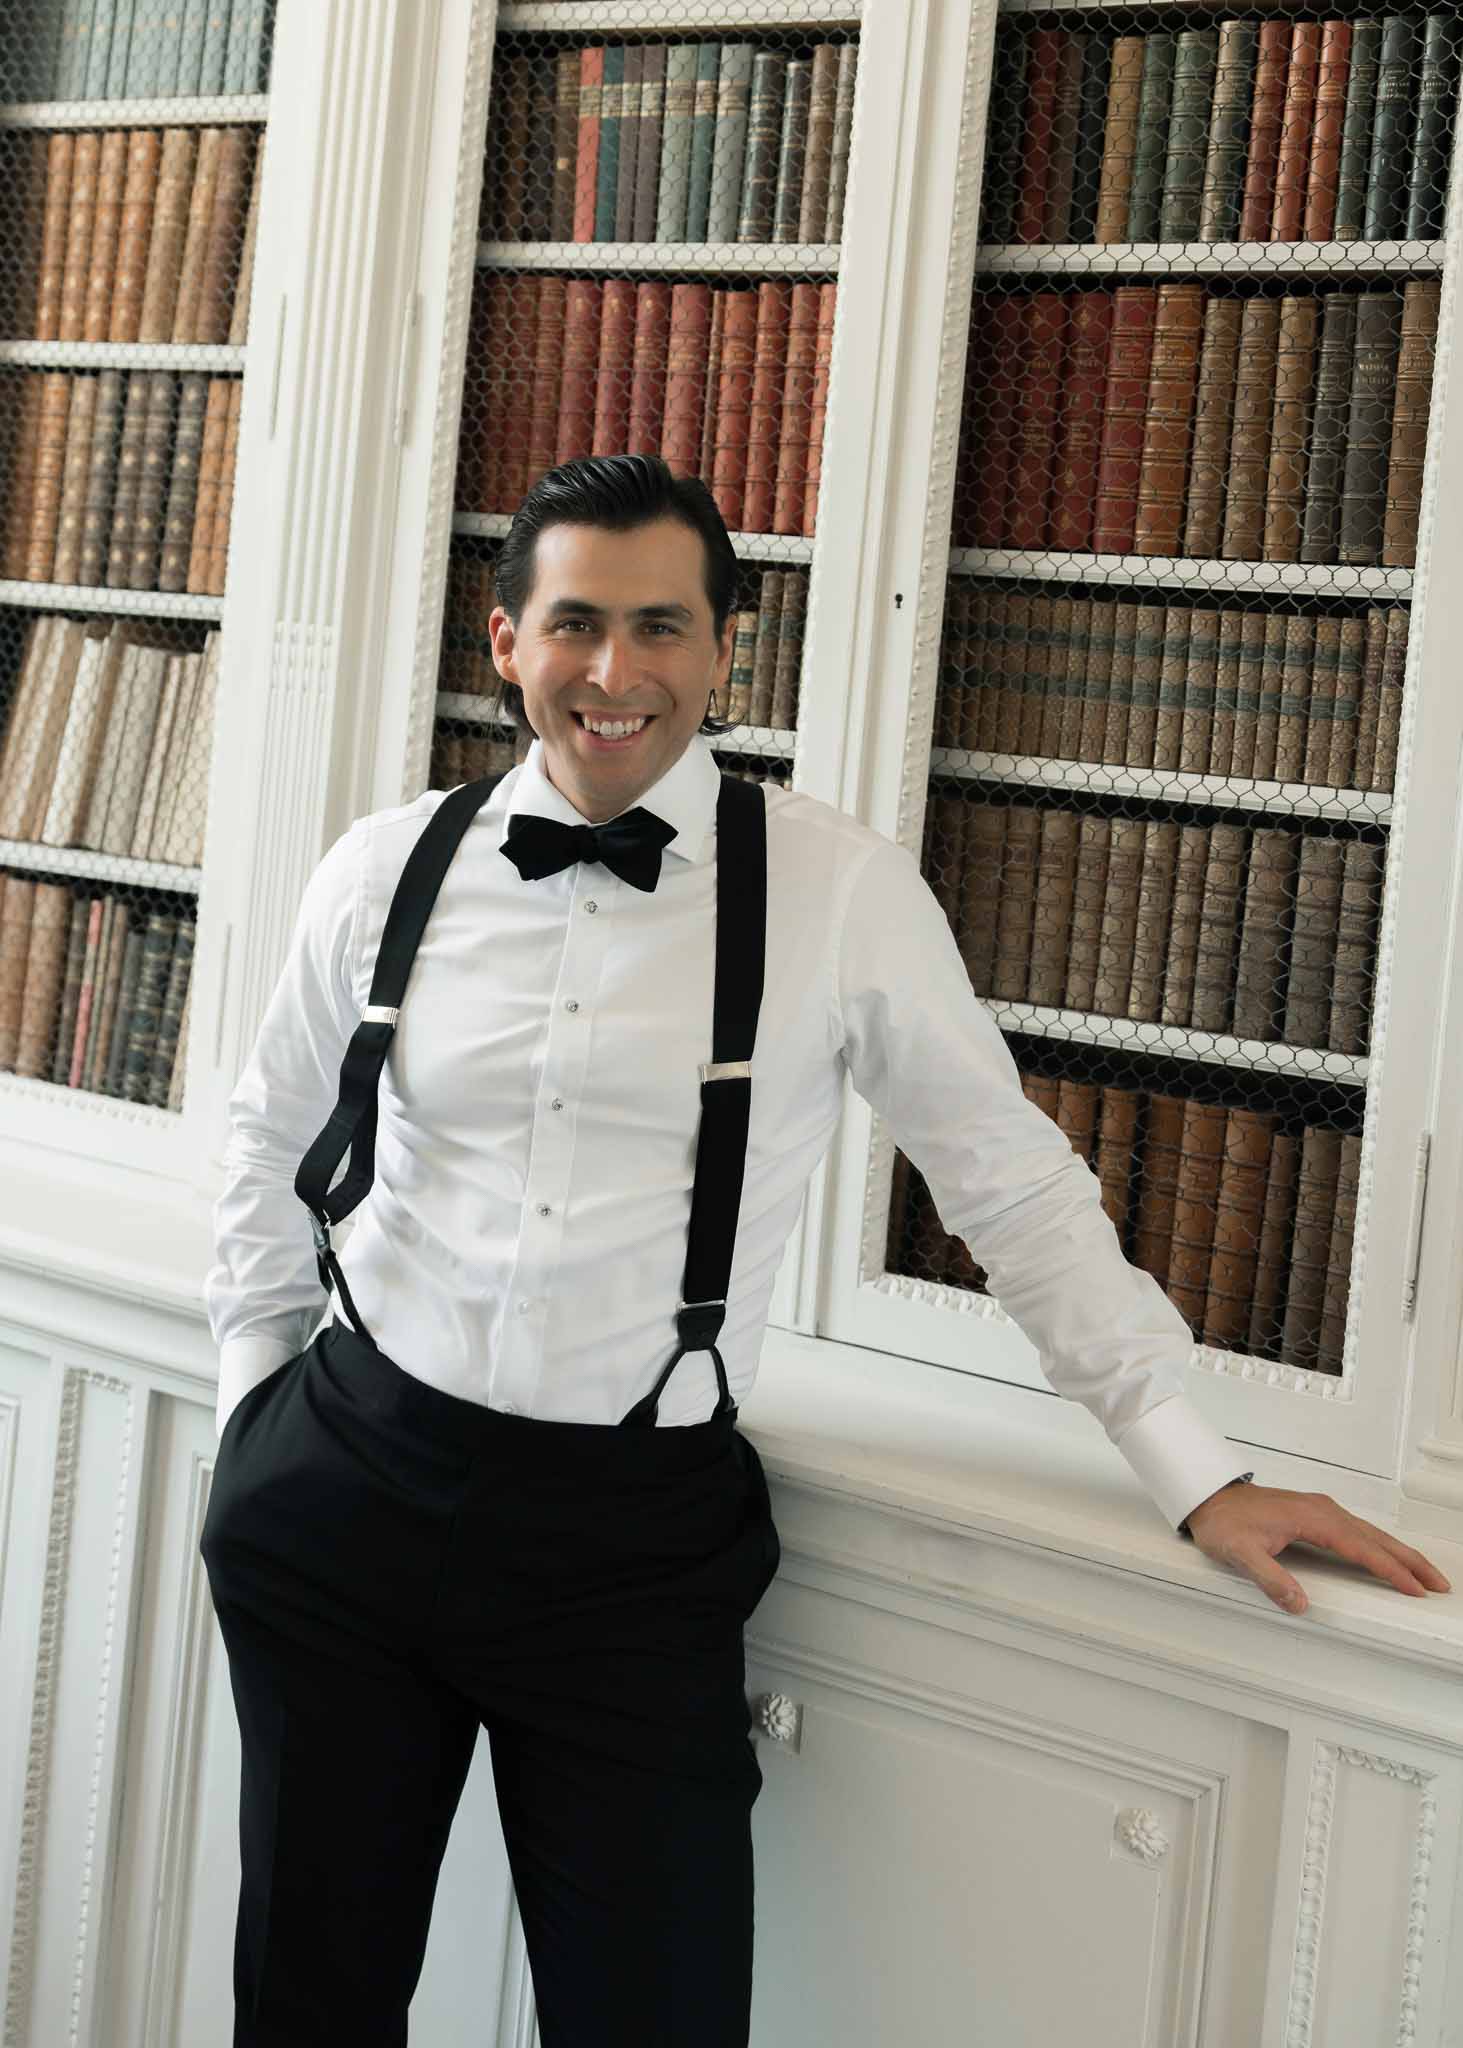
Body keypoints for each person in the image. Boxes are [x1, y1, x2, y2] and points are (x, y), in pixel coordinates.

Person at [200, 452, 1450, 2047]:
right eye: (574, 623)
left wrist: (1192, 1466)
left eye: (662, 625)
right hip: (344, 1499)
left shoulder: (838, 890)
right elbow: (266, 1134)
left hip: (629, 1553)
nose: (615, 671)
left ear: (728, 648)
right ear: (504, 639)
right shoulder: (384, 867)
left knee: (653, 2013)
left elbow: (1012, 1187)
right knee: (306, 2003)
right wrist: (254, 1402)